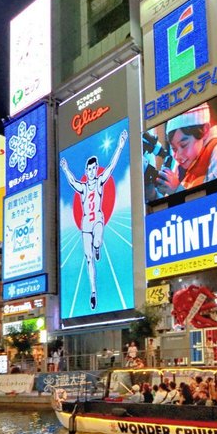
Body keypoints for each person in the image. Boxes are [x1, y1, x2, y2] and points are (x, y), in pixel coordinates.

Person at [60, 128, 128, 311]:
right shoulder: (83, 187)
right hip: (85, 225)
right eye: (88, 169)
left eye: (93, 168)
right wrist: (66, 169)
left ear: (95, 169)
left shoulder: (99, 182)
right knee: (89, 259)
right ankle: (93, 292)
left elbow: (111, 167)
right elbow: (72, 182)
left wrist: (120, 146)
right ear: (86, 170)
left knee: (97, 241)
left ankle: (98, 246)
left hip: (97, 219)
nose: (91, 171)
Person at [154, 106, 217, 195]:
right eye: (174, 149)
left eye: (184, 145)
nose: (177, 156)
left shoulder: (216, 149)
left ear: (205, 130)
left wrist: (177, 189)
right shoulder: (181, 164)